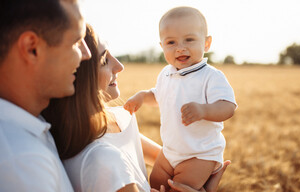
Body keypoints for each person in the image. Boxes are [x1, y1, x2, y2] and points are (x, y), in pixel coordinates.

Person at [43, 24, 230, 192]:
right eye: (103, 61)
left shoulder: (118, 118)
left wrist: (200, 175)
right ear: (77, 75)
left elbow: (177, 157)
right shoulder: (104, 161)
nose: (120, 66)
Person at [124, 6, 237, 191]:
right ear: (161, 46)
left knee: (181, 188)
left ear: (206, 43)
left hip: (200, 154)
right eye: (171, 43)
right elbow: (158, 96)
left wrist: (203, 110)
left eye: (189, 40)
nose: (180, 48)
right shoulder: (166, 74)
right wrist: (143, 96)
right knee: (155, 183)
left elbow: (228, 106)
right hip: (169, 151)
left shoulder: (210, 76)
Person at [0, 0, 91, 192]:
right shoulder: (23, 163)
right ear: (32, 48)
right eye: (75, 42)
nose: (86, 54)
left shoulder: (28, 128)